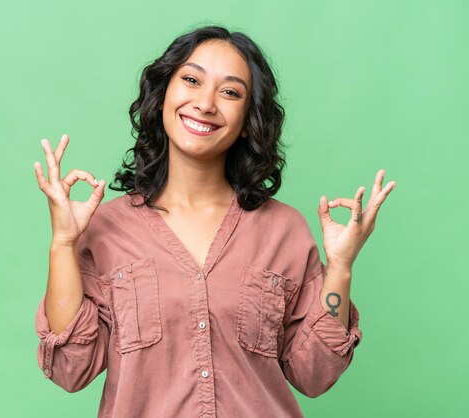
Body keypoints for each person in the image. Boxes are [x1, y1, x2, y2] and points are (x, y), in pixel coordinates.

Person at [33, 25, 396, 418]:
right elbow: (72, 368)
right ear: (161, 97)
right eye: (191, 80)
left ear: (247, 122)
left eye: (230, 92)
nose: (205, 103)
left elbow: (314, 374)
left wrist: (340, 268)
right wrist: (63, 244)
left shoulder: (284, 231)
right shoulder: (108, 228)